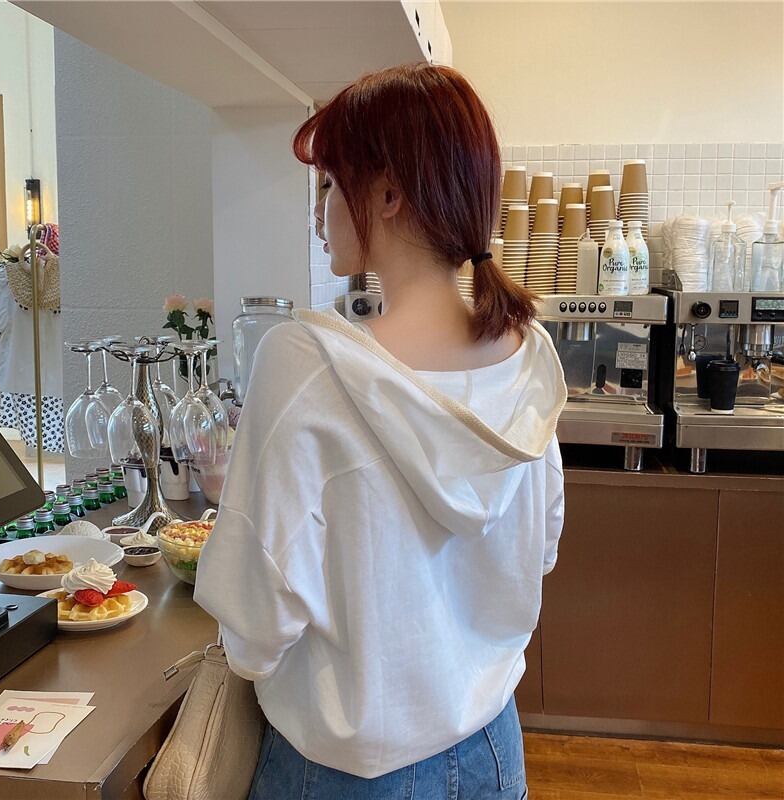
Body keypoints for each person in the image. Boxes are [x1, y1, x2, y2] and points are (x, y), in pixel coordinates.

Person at [194, 62, 566, 800]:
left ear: (388, 194)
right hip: (492, 750)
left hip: (345, 770)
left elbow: (256, 620)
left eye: (331, 184)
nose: (320, 210)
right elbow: (542, 548)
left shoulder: (304, 360)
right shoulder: (528, 359)